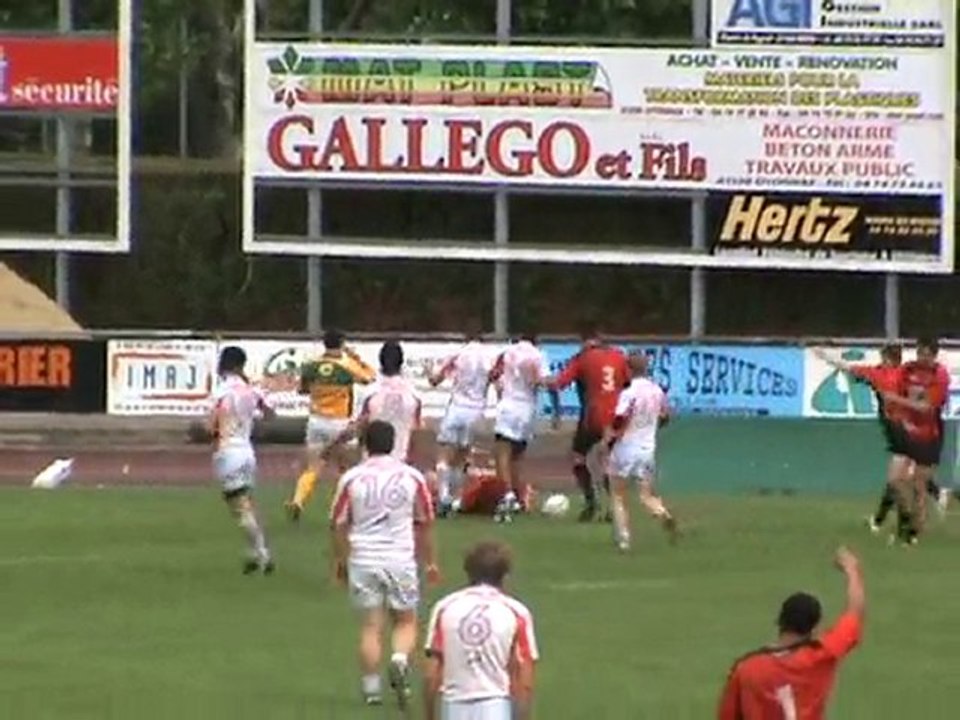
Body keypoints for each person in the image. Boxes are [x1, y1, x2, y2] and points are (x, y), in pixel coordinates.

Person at [329, 420, 440, 709]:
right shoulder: (411, 477)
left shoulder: (352, 478)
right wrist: (430, 562)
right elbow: (426, 521)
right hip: (400, 557)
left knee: (371, 625)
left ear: (365, 444)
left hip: (364, 557)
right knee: (405, 620)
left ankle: (371, 689)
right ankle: (400, 659)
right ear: (393, 443)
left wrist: (341, 560)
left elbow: (338, 523)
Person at [717, 546, 865, 720]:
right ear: (814, 628)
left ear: (780, 621)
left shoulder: (747, 668)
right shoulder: (823, 655)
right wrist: (852, 570)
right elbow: (854, 613)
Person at [814, 345, 949, 533]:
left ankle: (900, 522)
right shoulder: (905, 374)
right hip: (911, 429)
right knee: (903, 478)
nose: (881, 362)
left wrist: (825, 356)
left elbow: (849, 367)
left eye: (883, 359)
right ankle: (897, 516)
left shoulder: (882, 374)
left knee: (897, 480)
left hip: (899, 430)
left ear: (888, 359)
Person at [424, 540, 538, 720]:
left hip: (453, 705)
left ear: (468, 572)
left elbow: (432, 673)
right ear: (505, 575)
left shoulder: (445, 607)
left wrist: (429, 715)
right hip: (496, 706)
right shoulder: (516, 612)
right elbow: (524, 678)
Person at [285, 329, 376, 521]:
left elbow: (301, 390)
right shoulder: (347, 365)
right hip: (340, 422)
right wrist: (355, 356)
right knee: (345, 469)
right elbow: (370, 377)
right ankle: (338, 510)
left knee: (313, 467)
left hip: (316, 421)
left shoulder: (311, 365)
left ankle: (298, 500)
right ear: (342, 344)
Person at [546, 326, 630, 522]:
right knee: (609, 460)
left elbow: (559, 383)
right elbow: (628, 384)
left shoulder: (582, 358)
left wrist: (544, 383)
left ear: (584, 340)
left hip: (593, 417)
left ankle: (591, 502)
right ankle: (614, 507)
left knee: (578, 457)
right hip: (616, 417)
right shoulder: (618, 356)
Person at [208, 346, 276, 574]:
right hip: (248, 451)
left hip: (228, 453)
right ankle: (253, 554)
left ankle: (262, 552)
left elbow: (212, 425)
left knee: (240, 508)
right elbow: (270, 413)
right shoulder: (250, 390)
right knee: (246, 503)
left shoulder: (221, 392)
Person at [879, 336, 950, 545]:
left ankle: (914, 532)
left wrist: (896, 400)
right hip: (909, 432)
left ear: (934, 356)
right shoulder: (908, 369)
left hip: (930, 435)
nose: (922, 358)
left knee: (919, 483)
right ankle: (908, 521)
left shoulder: (940, 375)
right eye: (919, 353)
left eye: (927, 354)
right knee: (895, 480)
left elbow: (926, 407)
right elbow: (894, 383)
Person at [604, 352, 677, 551]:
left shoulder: (629, 392)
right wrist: (652, 427)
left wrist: (612, 434)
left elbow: (620, 417)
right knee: (646, 495)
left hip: (626, 447)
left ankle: (624, 539)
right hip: (647, 448)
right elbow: (666, 415)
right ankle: (664, 514)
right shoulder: (657, 391)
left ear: (628, 369)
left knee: (618, 494)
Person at [429, 329, 495, 514]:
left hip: (456, 408)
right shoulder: (488, 358)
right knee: (461, 458)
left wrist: (430, 375)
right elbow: (495, 381)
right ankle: (456, 500)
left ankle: (443, 497)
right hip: (475, 412)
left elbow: (435, 379)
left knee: (444, 454)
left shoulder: (458, 354)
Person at [488, 333, 551, 515]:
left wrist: (499, 389)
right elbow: (543, 380)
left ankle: (507, 494)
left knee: (501, 452)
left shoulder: (507, 352)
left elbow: (493, 374)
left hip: (508, 405)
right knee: (518, 455)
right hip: (527, 408)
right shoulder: (537, 355)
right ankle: (517, 495)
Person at [336, 340, 423, 463]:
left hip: (371, 463)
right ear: (401, 362)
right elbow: (417, 432)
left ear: (380, 360)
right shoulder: (414, 395)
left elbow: (357, 426)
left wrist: (334, 444)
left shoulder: (370, 393)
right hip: (400, 463)